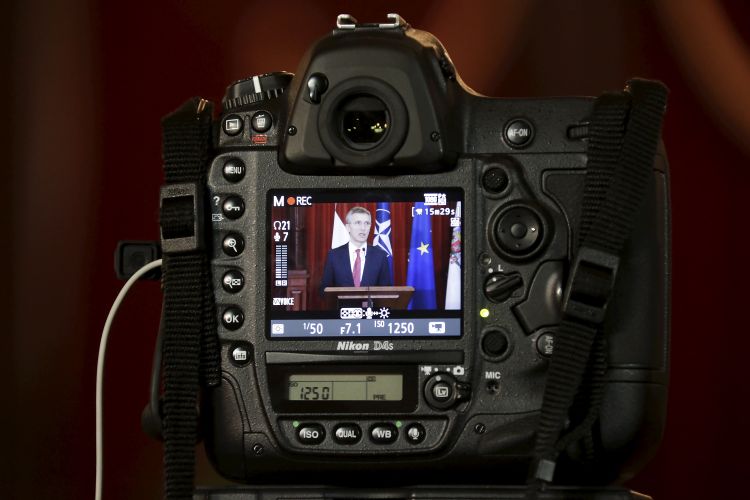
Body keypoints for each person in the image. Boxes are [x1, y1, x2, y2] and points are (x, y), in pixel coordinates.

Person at [319, 206, 392, 297]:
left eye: (367, 223)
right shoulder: (334, 255)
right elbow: (324, 291)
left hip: (371, 306)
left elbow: (386, 293)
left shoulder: (380, 256)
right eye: (358, 223)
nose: (363, 228)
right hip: (342, 306)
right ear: (348, 227)